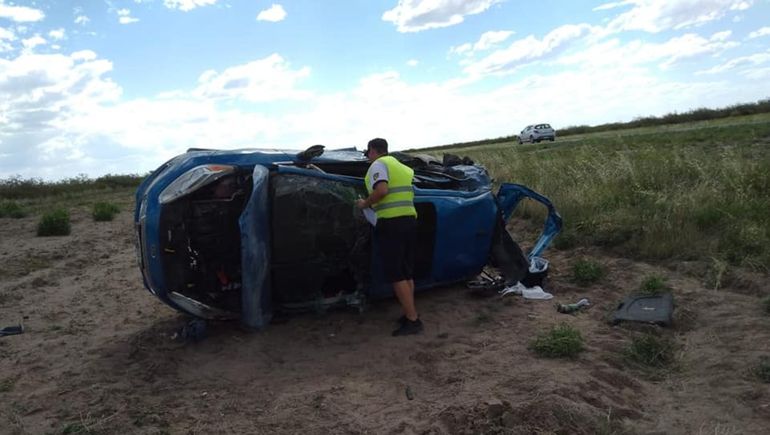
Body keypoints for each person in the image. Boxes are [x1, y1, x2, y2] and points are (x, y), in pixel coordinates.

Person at [355, 138, 422, 336]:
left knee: (396, 274)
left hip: (392, 224)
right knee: (406, 272)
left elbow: (382, 190)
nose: (368, 156)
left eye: (368, 152)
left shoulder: (379, 165)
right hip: (409, 220)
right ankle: (410, 312)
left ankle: (413, 321)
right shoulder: (401, 167)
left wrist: (365, 204)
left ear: (373, 150)